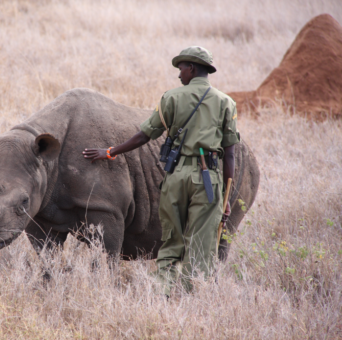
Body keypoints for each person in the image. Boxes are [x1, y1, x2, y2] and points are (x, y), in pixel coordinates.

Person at [82, 46, 239, 295]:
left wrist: (110, 151)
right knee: (201, 244)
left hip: (176, 177)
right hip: (209, 180)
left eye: (181, 69)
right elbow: (230, 154)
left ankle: (161, 294)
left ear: (192, 68)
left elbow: (144, 136)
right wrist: (226, 197)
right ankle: (190, 295)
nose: (179, 75)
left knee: (171, 242)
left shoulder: (171, 98)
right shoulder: (226, 103)